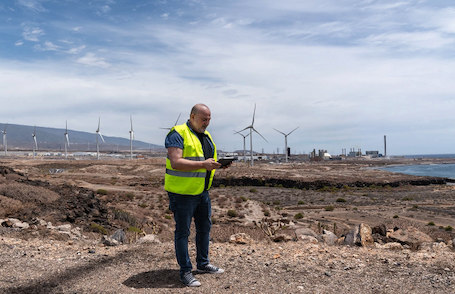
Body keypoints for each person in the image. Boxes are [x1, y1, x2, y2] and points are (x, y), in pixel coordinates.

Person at [164, 103, 226, 287]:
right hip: (182, 194)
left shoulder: (206, 137)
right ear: (192, 116)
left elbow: (205, 162)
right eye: (203, 119)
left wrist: (218, 165)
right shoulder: (177, 133)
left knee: (204, 228)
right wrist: (203, 165)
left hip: (201, 192)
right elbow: (176, 162)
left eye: (209, 119)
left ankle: (203, 264)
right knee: (183, 232)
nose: (207, 123)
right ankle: (185, 272)